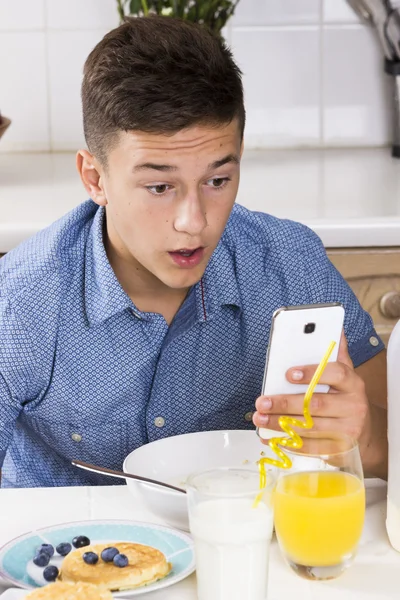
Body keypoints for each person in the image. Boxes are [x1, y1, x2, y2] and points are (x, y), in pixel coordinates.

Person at [0, 16, 387, 488]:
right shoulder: (19, 304)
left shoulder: (292, 264)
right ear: (95, 179)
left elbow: (389, 448)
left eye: (217, 180)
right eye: (160, 186)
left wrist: (364, 440)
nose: (194, 221)